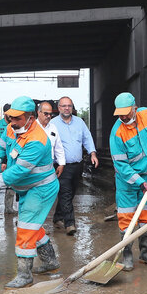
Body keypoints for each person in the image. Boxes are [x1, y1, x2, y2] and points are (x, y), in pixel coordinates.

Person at [0, 96, 60, 289]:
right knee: (32, 226)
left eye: (17, 119)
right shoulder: (11, 128)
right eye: (11, 118)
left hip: (41, 188)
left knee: (26, 228)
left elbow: (20, 170)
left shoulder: (37, 140)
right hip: (27, 187)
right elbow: (0, 146)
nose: (12, 122)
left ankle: (24, 275)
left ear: (30, 117)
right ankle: (50, 262)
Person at [109, 92, 147, 271]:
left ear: (135, 108)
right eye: (119, 113)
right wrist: (138, 182)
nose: (123, 117)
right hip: (128, 181)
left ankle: (146, 253)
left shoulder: (146, 114)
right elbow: (121, 165)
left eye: (126, 113)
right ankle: (127, 257)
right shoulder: (117, 133)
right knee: (127, 219)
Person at [51, 96, 98, 235]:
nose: (67, 108)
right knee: (65, 193)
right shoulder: (53, 124)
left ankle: (58, 217)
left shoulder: (79, 123)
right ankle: (70, 224)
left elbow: (87, 138)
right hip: (61, 166)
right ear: (59, 108)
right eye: (64, 106)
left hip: (78, 165)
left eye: (69, 106)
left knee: (71, 192)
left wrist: (93, 153)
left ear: (72, 107)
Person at [37, 101, 66, 177]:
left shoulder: (53, 127)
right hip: (34, 167)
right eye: (46, 114)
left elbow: (58, 147)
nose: (49, 116)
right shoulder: (31, 127)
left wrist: (61, 164)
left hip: (49, 167)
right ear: (39, 112)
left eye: (50, 114)